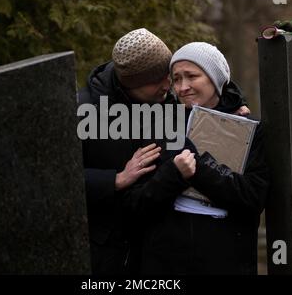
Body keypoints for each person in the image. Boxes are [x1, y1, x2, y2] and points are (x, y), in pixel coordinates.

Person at [79, 29, 250, 275]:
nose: (170, 86)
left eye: (167, 75)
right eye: (158, 80)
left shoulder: (163, 98)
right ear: (131, 84)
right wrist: (114, 180)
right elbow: (54, 182)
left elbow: (211, 80)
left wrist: (233, 105)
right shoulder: (84, 111)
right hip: (111, 255)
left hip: (160, 251)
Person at [123, 42, 270, 275]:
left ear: (215, 78)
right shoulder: (158, 127)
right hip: (164, 266)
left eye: (192, 76)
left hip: (226, 263)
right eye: (177, 79)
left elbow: (252, 198)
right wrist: (173, 175)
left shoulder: (250, 130)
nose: (182, 87)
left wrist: (198, 170)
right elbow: (135, 204)